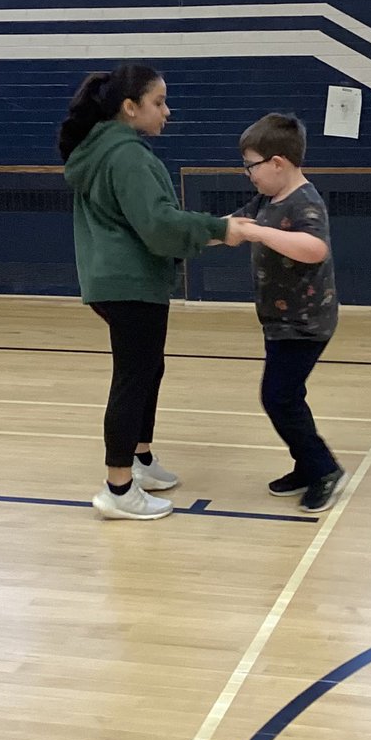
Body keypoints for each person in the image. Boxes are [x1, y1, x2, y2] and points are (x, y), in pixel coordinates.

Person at [59, 63, 246, 521]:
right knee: (133, 377)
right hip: (128, 283)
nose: (167, 110)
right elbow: (159, 226)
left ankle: (139, 459)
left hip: (121, 280)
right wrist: (220, 228)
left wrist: (217, 232)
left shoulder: (108, 150)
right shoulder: (126, 156)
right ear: (130, 107)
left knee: (148, 368)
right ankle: (118, 488)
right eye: (158, 102)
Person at [232, 114, 347, 513]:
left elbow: (314, 249)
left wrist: (259, 233)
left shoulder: (305, 202)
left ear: (277, 162)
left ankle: (324, 468)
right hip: (279, 320)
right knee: (288, 395)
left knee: (278, 397)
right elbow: (237, 225)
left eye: (252, 166)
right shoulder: (267, 200)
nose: (249, 174)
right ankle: (306, 464)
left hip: (304, 322)